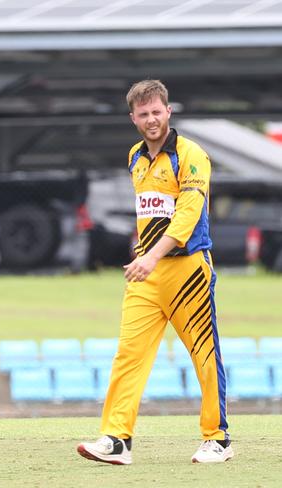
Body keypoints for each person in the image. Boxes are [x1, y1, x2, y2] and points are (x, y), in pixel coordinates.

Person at [77, 79, 233, 465]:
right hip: (146, 275)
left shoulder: (191, 154)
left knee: (204, 353)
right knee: (128, 355)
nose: (151, 119)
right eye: (143, 114)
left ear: (168, 111)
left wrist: (152, 255)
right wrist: (144, 256)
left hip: (188, 271)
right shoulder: (135, 156)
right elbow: (150, 213)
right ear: (133, 118)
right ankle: (116, 439)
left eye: (156, 111)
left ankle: (218, 439)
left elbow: (187, 214)